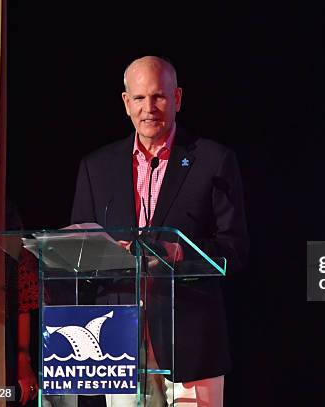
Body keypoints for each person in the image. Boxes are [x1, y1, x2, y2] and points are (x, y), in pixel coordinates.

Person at [70, 56, 248, 407]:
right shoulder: (96, 167)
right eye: (139, 98)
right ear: (125, 103)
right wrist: (105, 255)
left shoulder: (213, 160)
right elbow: (78, 250)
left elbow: (236, 249)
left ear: (177, 98)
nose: (148, 108)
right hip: (119, 340)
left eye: (159, 97)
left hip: (191, 342)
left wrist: (179, 253)